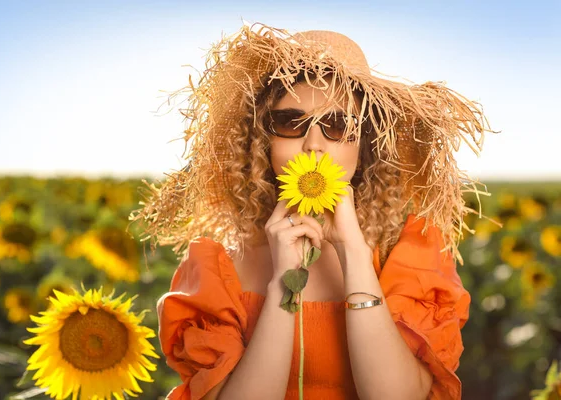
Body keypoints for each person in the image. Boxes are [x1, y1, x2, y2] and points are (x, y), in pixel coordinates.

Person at [130, 22, 496, 400]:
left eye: (337, 124)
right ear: (262, 137)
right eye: (291, 122)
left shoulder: (407, 252)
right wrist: (283, 285)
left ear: (364, 141)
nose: (314, 145)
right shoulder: (218, 264)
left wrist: (355, 256)